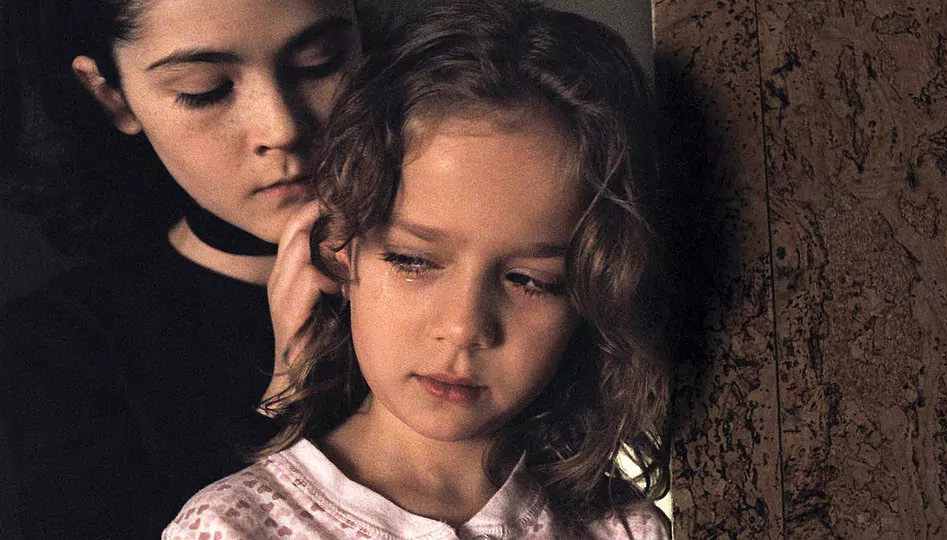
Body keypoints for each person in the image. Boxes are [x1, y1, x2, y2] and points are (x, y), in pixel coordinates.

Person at [163, 0, 672, 537]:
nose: (463, 327)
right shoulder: (233, 526)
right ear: (340, 249)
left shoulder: (625, 531)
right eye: (413, 260)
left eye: (531, 281)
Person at [0, 0, 386, 536]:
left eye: (319, 62)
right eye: (205, 90)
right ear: (110, 95)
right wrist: (290, 403)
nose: (281, 128)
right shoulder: (55, 357)